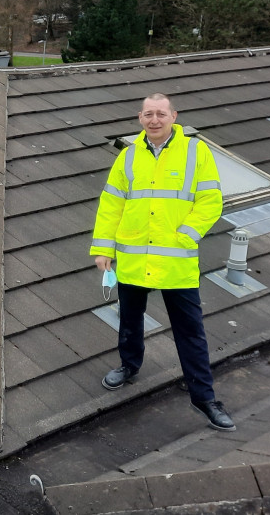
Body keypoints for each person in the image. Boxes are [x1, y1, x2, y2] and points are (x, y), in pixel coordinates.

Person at [90, 93, 235, 431]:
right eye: (148, 114)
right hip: (132, 258)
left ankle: (204, 398)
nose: (154, 120)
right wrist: (103, 249)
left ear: (174, 116)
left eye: (161, 114)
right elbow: (111, 205)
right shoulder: (127, 157)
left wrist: (186, 234)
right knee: (129, 319)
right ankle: (129, 365)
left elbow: (211, 200)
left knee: (190, 333)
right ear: (140, 118)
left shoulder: (197, 152)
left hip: (176, 263)